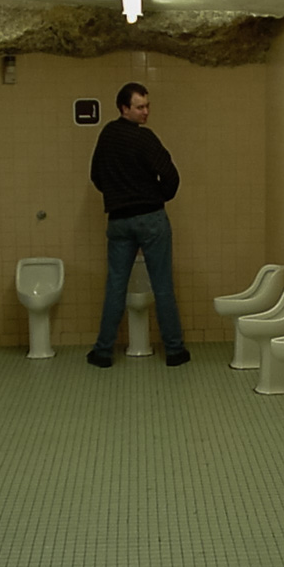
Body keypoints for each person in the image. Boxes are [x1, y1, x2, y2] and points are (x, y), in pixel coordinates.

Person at [87, 82, 190, 368]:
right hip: (151, 219)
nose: (145, 112)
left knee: (115, 286)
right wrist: (157, 196)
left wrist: (117, 194)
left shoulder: (107, 135)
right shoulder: (145, 139)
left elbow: (96, 176)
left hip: (119, 221)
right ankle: (174, 351)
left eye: (147, 106)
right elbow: (171, 176)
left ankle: (103, 352)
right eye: (139, 107)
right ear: (124, 108)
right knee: (163, 286)